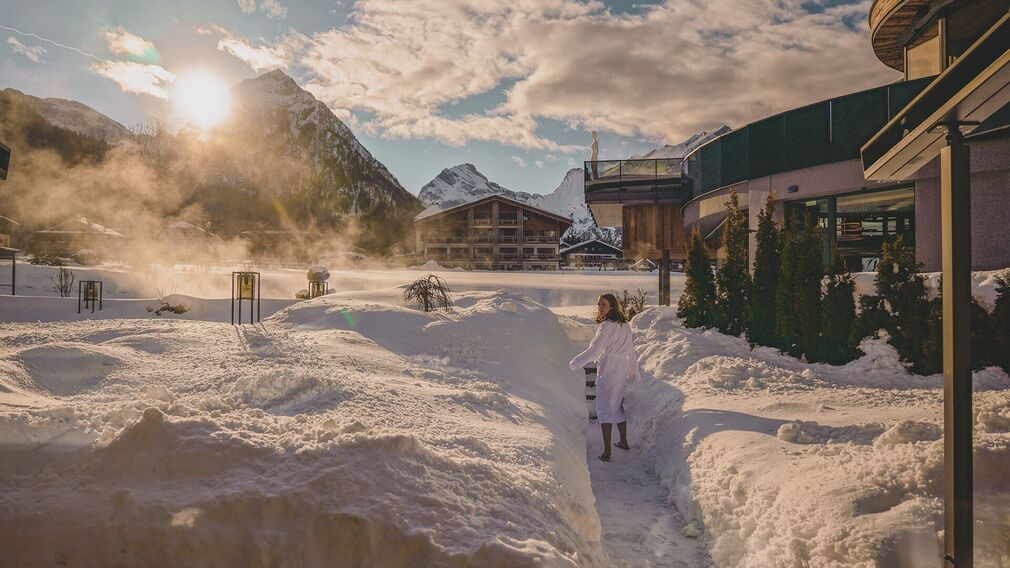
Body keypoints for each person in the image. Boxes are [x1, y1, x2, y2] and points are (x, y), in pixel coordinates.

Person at [569, 293, 641, 461]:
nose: (600, 307)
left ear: (612, 307)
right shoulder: (625, 325)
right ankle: (623, 441)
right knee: (616, 405)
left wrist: (575, 363)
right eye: (599, 304)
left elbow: (595, 350)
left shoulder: (607, 326)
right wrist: (633, 373)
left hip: (609, 369)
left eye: (603, 304)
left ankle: (607, 451)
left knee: (604, 408)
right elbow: (631, 352)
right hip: (621, 368)